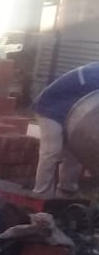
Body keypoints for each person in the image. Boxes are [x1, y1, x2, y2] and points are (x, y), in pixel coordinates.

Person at [32, 62, 99, 195]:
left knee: (78, 150)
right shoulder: (94, 72)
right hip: (49, 109)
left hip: (74, 113)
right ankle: (41, 194)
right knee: (51, 152)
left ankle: (66, 191)